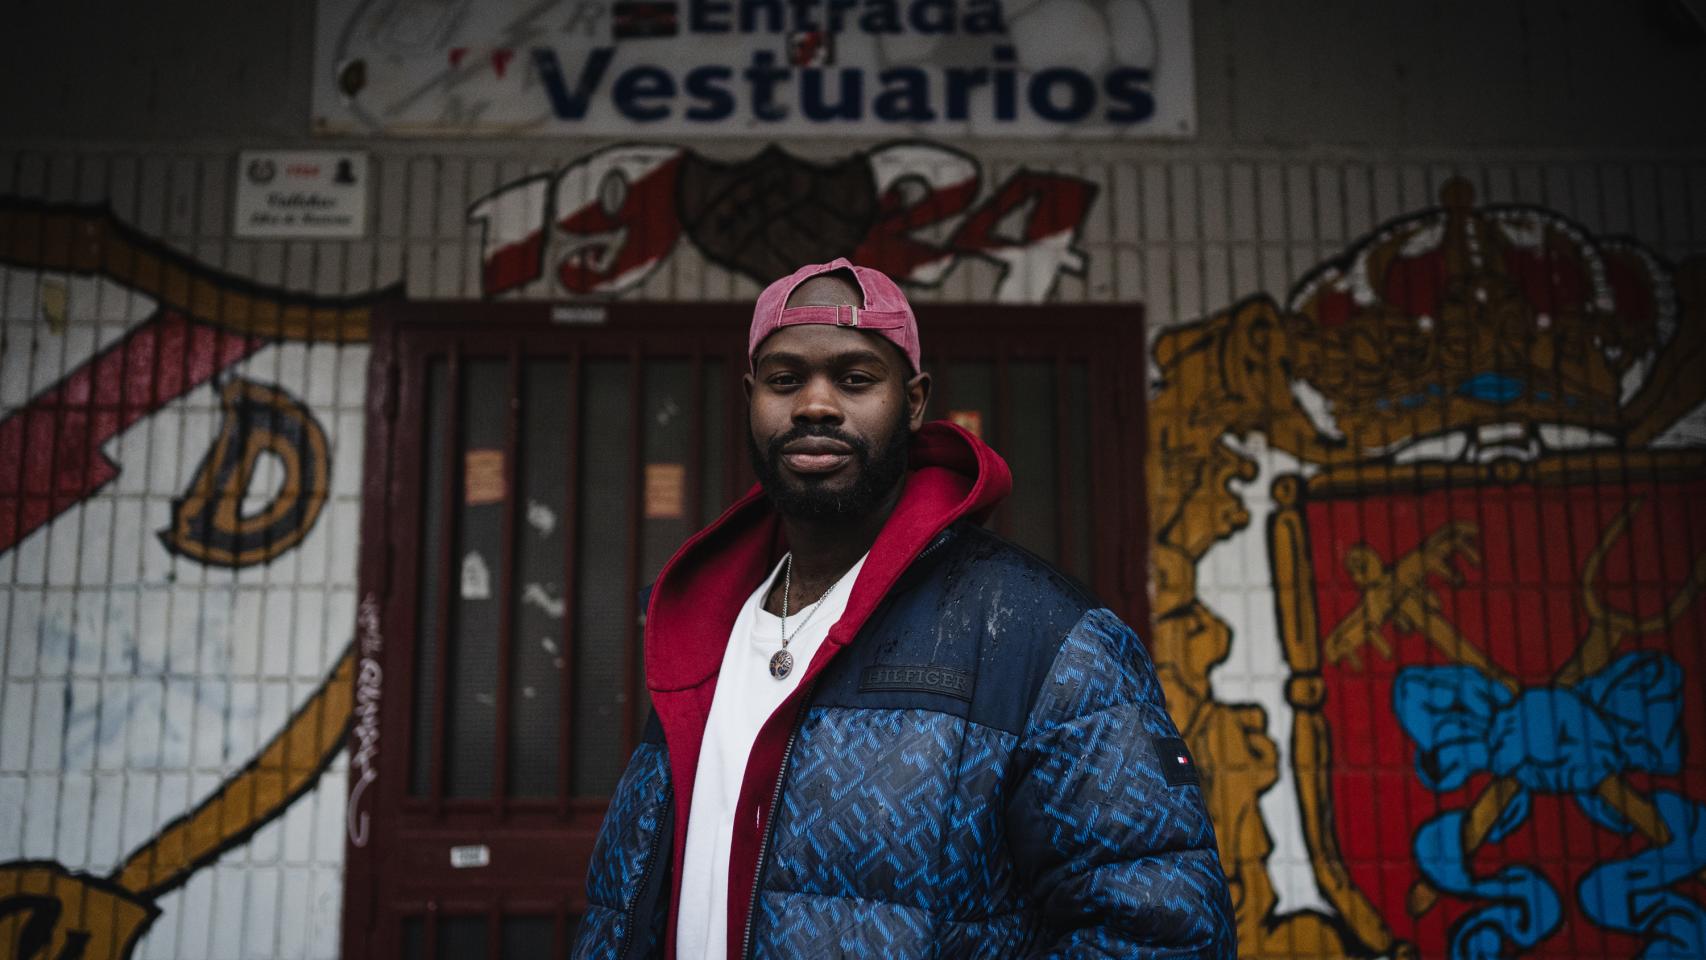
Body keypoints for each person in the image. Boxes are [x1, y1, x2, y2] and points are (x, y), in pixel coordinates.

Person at [573, 258, 1235, 959]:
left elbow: (1162, 936)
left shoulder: (1043, 636)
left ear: (914, 402)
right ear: (750, 396)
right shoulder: (702, 629)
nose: (816, 406)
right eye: (785, 379)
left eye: (856, 379)